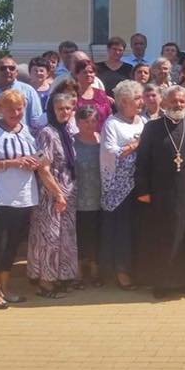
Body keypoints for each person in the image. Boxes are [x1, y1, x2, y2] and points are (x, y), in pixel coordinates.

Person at [0, 89, 62, 309]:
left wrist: (36, 164)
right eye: (10, 108)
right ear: (1, 109)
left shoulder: (27, 132)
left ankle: (5, 287)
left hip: (23, 198)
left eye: (19, 108)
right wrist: (12, 163)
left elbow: (39, 160)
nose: (15, 112)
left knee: (11, 246)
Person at [135, 86, 185, 298]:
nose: (178, 105)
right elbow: (142, 160)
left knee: (184, 235)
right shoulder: (152, 128)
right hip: (159, 190)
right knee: (162, 236)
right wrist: (143, 189)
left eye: (182, 102)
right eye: (174, 101)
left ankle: (183, 280)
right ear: (164, 103)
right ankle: (162, 283)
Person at [27, 93, 79, 298]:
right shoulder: (46, 133)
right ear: (52, 110)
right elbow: (43, 168)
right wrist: (57, 194)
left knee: (63, 238)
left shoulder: (66, 132)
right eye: (60, 109)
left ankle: (60, 277)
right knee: (49, 237)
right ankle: (45, 283)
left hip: (68, 192)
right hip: (51, 193)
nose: (64, 112)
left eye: (68, 108)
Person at [100, 80, 145, 290]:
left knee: (138, 230)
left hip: (141, 185)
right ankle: (121, 272)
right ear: (124, 102)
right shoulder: (112, 123)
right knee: (122, 232)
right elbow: (110, 152)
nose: (141, 102)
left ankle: (139, 269)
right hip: (119, 189)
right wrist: (136, 145)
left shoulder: (143, 121)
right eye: (137, 99)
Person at [73, 106, 103, 287]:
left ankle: (95, 270)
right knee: (79, 236)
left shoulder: (102, 140)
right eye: (85, 121)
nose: (90, 125)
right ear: (77, 122)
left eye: (93, 121)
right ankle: (77, 271)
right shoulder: (71, 142)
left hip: (99, 196)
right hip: (78, 197)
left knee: (96, 235)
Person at [0, 56, 45, 131]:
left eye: (11, 68)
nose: (7, 71)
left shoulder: (28, 90)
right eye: (3, 68)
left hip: (22, 137)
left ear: (16, 72)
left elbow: (36, 120)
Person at [75, 59, 113, 127]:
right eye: (84, 72)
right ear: (77, 75)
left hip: (103, 134)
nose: (88, 74)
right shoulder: (73, 95)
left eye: (91, 72)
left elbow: (109, 116)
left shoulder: (101, 94)